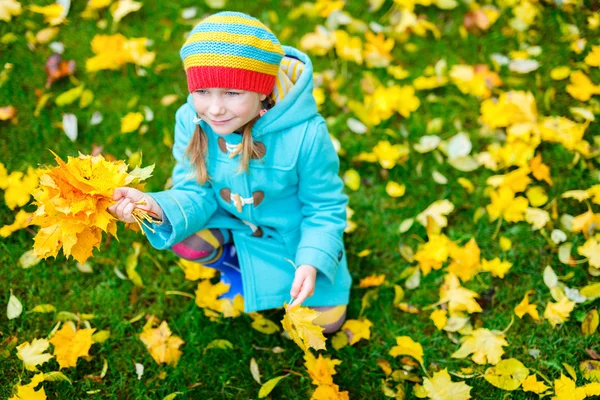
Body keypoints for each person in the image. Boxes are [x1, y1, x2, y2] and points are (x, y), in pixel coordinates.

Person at [109, 11, 351, 333]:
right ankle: (233, 262)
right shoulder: (191, 120)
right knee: (184, 235)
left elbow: (324, 206)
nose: (214, 108)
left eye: (232, 93)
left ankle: (285, 268)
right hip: (233, 221)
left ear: (263, 91)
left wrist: (311, 260)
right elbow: (194, 191)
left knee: (328, 324)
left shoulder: (306, 134)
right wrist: (153, 206)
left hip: (291, 236)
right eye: (203, 91)